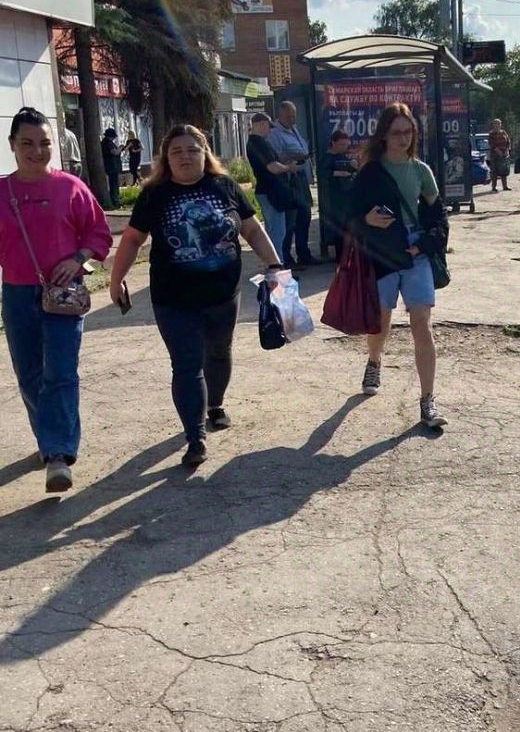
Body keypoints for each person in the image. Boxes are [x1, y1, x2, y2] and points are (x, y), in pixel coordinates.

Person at [109, 124, 283, 467]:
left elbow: (251, 229)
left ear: (205, 153)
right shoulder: (155, 194)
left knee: (218, 352)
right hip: (173, 297)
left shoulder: (225, 187)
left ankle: (214, 404)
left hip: (223, 294)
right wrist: (116, 280)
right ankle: (195, 437)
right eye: (177, 151)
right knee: (186, 365)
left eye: (193, 149)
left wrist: (275, 265)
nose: (185, 157)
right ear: (166, 158)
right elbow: (132, 239)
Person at [0, 107, 112, 493]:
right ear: (12, 145)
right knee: (29, 373)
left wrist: (78, 259)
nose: (37, 151)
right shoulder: (2, 192)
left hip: (64, 294)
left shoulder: (70, 188)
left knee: (61, 372)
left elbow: (99, 235)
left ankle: (59, 454)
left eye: (45, 143)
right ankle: (48, 438)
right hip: (17, 294)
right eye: (27, 143)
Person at [349, 102, 449, 429]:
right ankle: (374, 360)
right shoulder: (370, 171)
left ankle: (428, 400)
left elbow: (439, 217)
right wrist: (366, 219)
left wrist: (425, 244)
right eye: (396, 133)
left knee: (421, 322)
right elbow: (348, 215)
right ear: (384, 135)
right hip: (383, 252)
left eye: (408, 132)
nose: (403, 138)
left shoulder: (421, 171)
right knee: (381, 319)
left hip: (416, 251)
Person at [268, 102, 319, 269]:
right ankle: (286, 258)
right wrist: (292, 156)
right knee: (290, 221)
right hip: (288, 180)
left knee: (305, 216)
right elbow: (274, 159)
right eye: (289, 116)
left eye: (294, 116)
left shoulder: (294, 129)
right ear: (280, 116)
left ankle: (304, 254)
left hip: (301, 179)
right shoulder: (274, 134)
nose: (292, 119)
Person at [246, 112, 298, 259]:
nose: (270, 131)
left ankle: (273, 264)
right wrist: (288, 168)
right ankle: (277, 265)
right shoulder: (259, 143)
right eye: (269, 127)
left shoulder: (253, 142)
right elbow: (272, 167)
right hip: (271, 191)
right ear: (261, 124)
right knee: (277, 232)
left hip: (265, 190)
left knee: (272, 231)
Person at [319, 129, 357, 262]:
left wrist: (353, 166)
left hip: (347, 197)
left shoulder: (343, 156)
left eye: (346, 144)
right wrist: (338, 173)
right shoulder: (327, 157)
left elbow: (351, 171)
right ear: (333, 143)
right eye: (341, 144)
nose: (344, 147)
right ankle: (340, 258)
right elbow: (322, 173)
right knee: (339, 230)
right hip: (335, 199)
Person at [488, 118, 512, 192]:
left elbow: (508, 142)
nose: (497, 125)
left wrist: (507, 150)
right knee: (494, 171)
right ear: (493, 125)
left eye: (498, 124)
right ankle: (494, 187)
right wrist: (498, 151)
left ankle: (505, 186)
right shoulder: (491, 134)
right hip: (495, 155)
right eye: (495, 124)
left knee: (504, 170)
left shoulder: (504, 132)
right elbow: (491, 144)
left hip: (504, 154)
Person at [101, 127, 122, 207]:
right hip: (112, 167)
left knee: (113, 184)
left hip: (109, 166)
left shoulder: (103, 142)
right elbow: (115, 152)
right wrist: (121, 148)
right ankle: (115, 201)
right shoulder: (108, 143)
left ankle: (115, 200)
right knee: (114, 184)